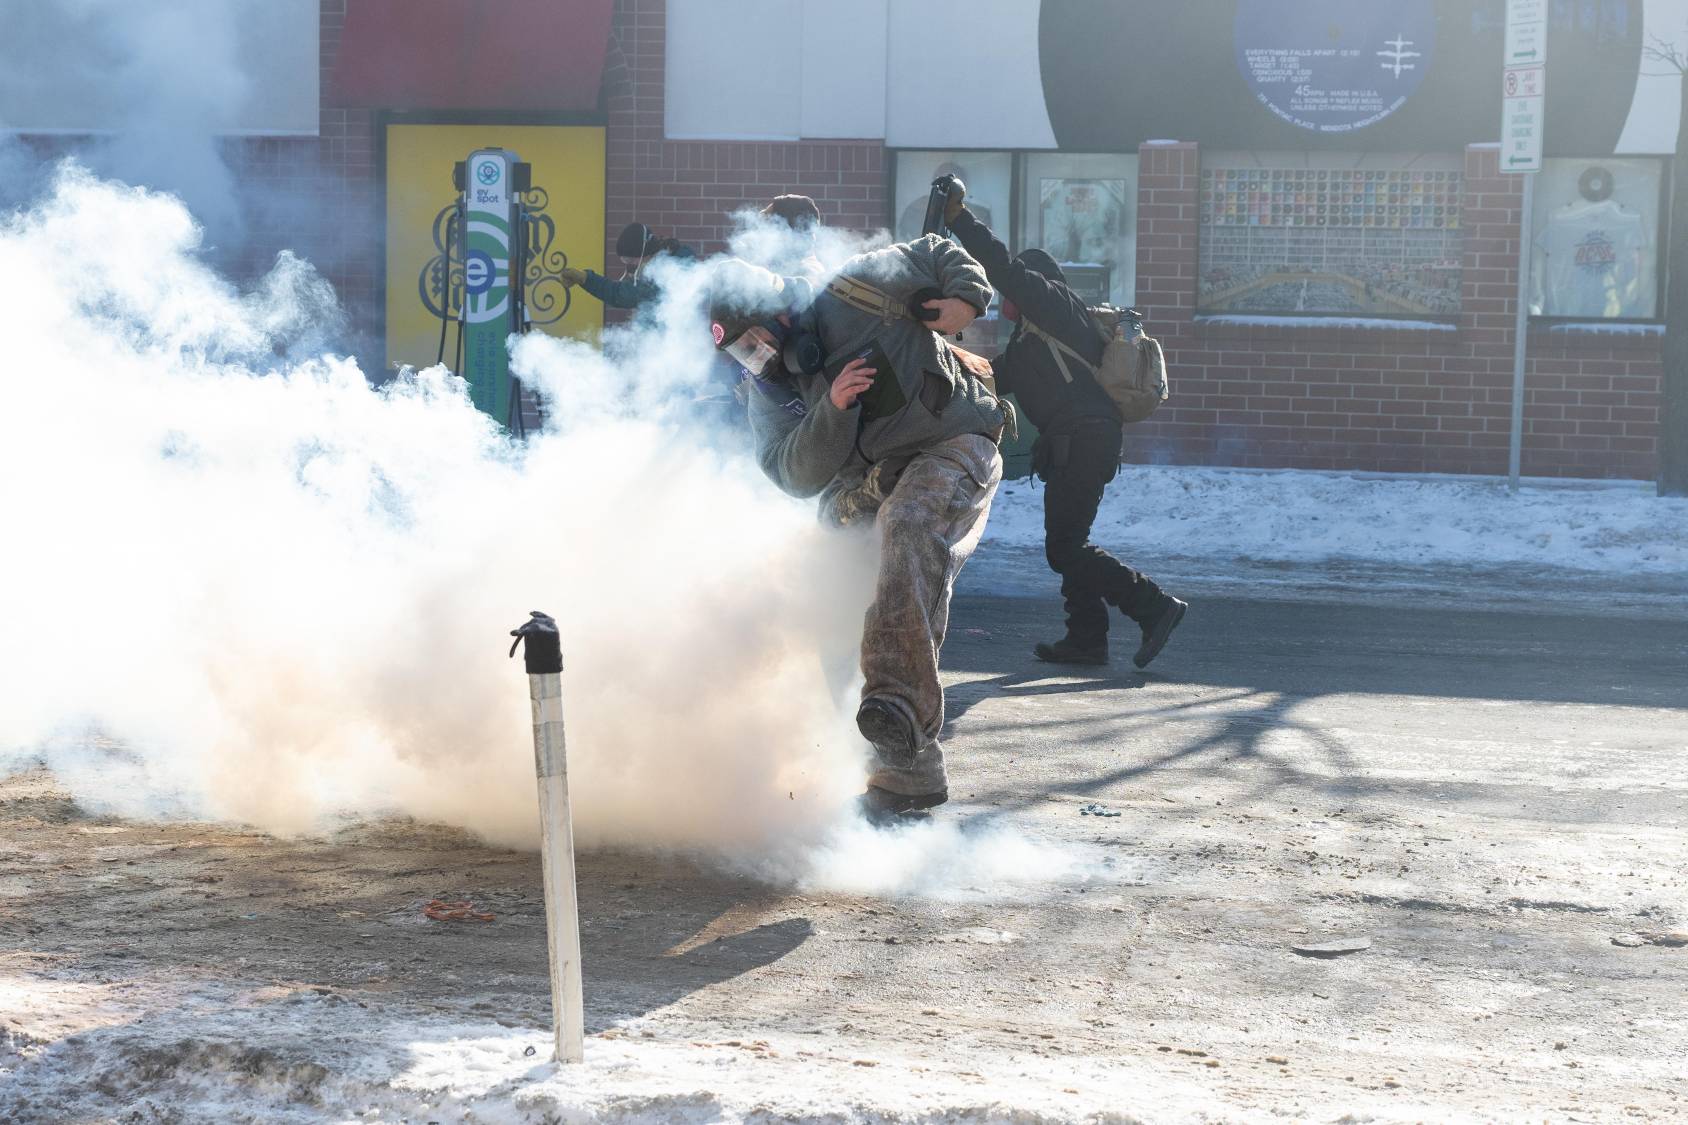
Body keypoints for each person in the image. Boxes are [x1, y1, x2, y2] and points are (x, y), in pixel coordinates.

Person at [708, 236, 1008, 822]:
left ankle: (895, 711)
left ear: (780, 316)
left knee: (909, 526)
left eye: (755, 340)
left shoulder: (855, 288)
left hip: (953, 445)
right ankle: (895, 764)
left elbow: (938, 248)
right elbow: (791, 473)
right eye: (741, 354)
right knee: (832, 594)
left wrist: (967, 300)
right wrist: (833, 409)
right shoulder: (771, 392)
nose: (757, 358)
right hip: (867, 485)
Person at [942, 191, 1187, 670]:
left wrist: (959, 221)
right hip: (1076, 442)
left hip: (1086, 438)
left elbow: (1002, 266)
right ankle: (1086, 639)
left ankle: (1154, 606)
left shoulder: (1054, 305)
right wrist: (937, 355)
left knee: (1065, 547)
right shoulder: (1033, 338)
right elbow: (991, 377)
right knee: (1072, 541)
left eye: (1013, 292)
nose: (1007, 301)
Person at [560, 221, 695, 311]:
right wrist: (585, 278)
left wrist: (587, 279)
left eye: (631, 261)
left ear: (644, 254)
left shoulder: (673, 271)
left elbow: (623, 296)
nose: (631, 267)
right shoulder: (667, 261)